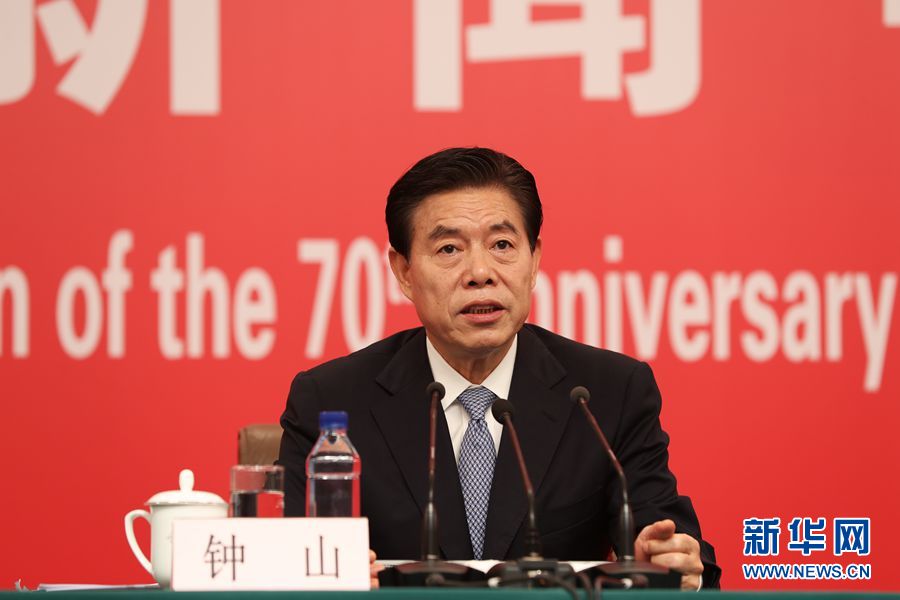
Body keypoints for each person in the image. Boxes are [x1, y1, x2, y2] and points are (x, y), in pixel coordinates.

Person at [278, 147, 720, 589]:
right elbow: (283, 568)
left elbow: (680, 550)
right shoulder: (331, 400)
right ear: (404, 272)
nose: (480, 272)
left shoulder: (607, 393)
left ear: (534, 260)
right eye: (449, 248)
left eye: (502, 245)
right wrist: (326, 579)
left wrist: (672, 565)